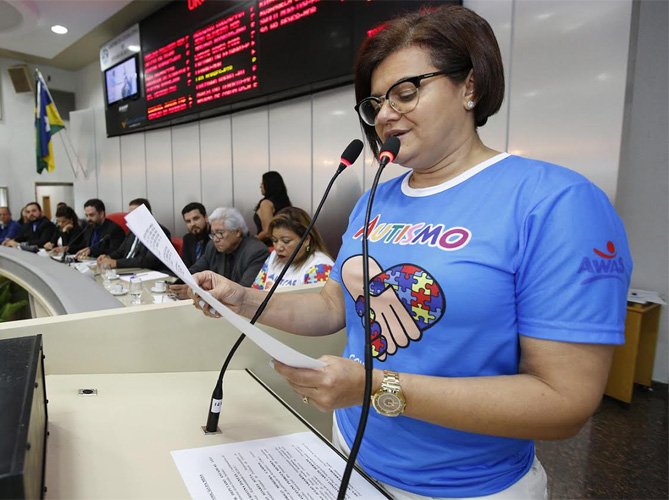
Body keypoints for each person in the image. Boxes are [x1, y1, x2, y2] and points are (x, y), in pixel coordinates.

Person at [187, 6, 631, 499]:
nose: (384, 115)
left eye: (406, 91)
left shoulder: (555, 202)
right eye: (375, 102)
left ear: (471, 86)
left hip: (466, 488)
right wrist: (246, 301)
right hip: (351, 458)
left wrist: (374, 388)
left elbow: (563, 402)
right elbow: (336, 304)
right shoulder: (376, 198)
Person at [169, 207, 268, 299]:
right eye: (213, 234)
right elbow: (195, 270)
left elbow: (243, 293)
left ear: (237, 231)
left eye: (220, 233)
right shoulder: (212, 247)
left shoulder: (256, 252)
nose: (215, 239)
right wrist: (178, 284)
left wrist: (197, 292)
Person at [252, 207, 334, 290]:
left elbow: (316, 302)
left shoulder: (321, 267)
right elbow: (255, 292)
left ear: (306, 240)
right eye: (274, 240)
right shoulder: (273, 257)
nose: (278, 248)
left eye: (286, 241)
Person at [96, 198, 170, 272]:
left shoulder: (160, 232)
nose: (131, 217)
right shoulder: (133, 230)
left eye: (134, 214)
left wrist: (116, 263)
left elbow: (148, 261)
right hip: (126, 269)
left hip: (145, 272)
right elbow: (120, 252)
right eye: (129, 214)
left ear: (146, 213)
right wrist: (108, 257)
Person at [254, 171, 291, 244]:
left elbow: (268, 231)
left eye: (263, 183)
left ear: (269, 185)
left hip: (267, 246)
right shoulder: (284, 202)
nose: (260, 186)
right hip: (283, 244)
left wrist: (254, 240)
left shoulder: (266, 203)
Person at [180, 202, 210, 268]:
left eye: (196, 218)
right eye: (188, 221)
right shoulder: (187, 239)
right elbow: (186, 266)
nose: (192, 224)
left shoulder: (215, 238)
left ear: (206, 217)